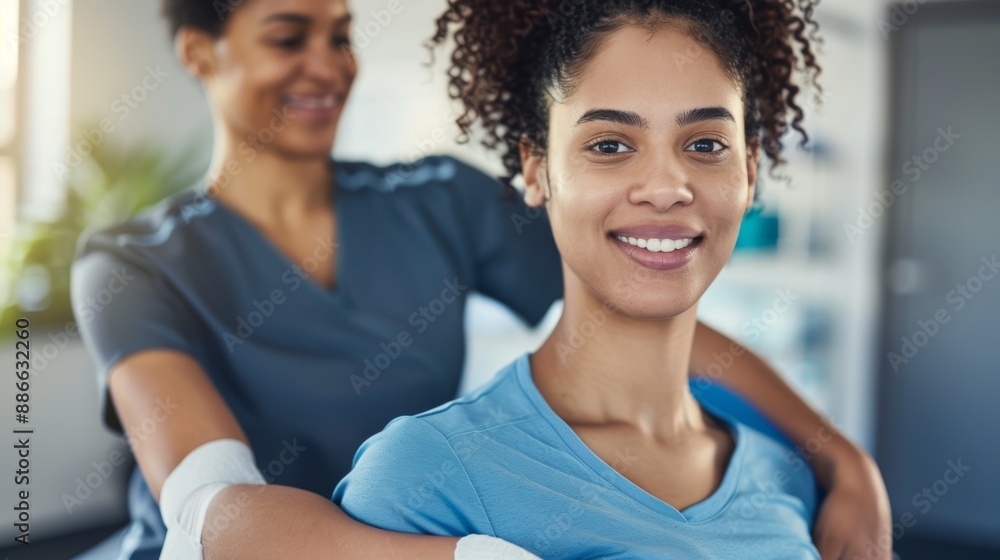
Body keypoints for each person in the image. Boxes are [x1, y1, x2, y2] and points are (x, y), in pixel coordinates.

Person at [70, 0, 888, 559]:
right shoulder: (134, 265)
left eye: (342, 34)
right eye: (290, 37)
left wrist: (840, 456)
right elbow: (215, 511)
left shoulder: (434, 200)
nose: (328, 66)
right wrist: (474, 553)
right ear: (197, 50)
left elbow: (638, 295)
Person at [333, 0, 892, 558]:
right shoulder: (427, 474)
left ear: (748, 172)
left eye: (705, 144)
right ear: (537, 170)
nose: (666, 187)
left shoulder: (791, 478)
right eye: (609, 145)